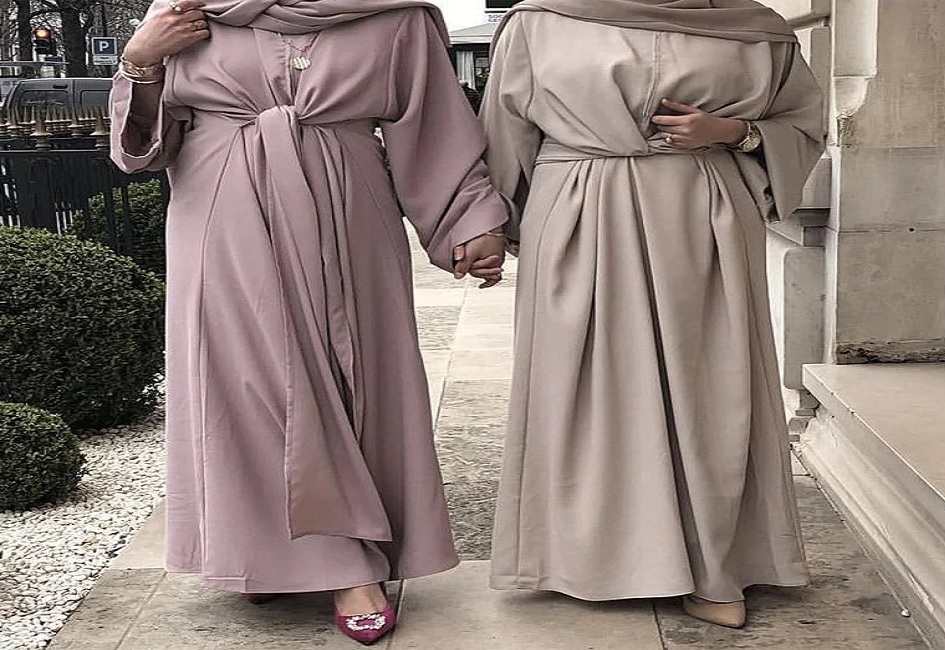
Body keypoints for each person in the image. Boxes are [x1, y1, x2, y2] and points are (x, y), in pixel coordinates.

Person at [110, 0, 508, 644]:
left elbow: (432, 125)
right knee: (244, 386)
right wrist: (140, 61)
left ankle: (336, 555)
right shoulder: (189, 8)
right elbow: (146, 151)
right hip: (221, 207)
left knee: (357, 379)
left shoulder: (395, 17)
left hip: (350, 211)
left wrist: (468, 219)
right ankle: (276, 550)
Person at [481, 0, 825, 629]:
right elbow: (504, 132)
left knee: (711, 388)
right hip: (580, 209)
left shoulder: (757, 29)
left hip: (703, 213)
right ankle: (588, 557)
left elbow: (801, 126)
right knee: (587, 384)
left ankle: (715, 561)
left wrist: (733, 133)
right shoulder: (542, 19)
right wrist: (491, 224)